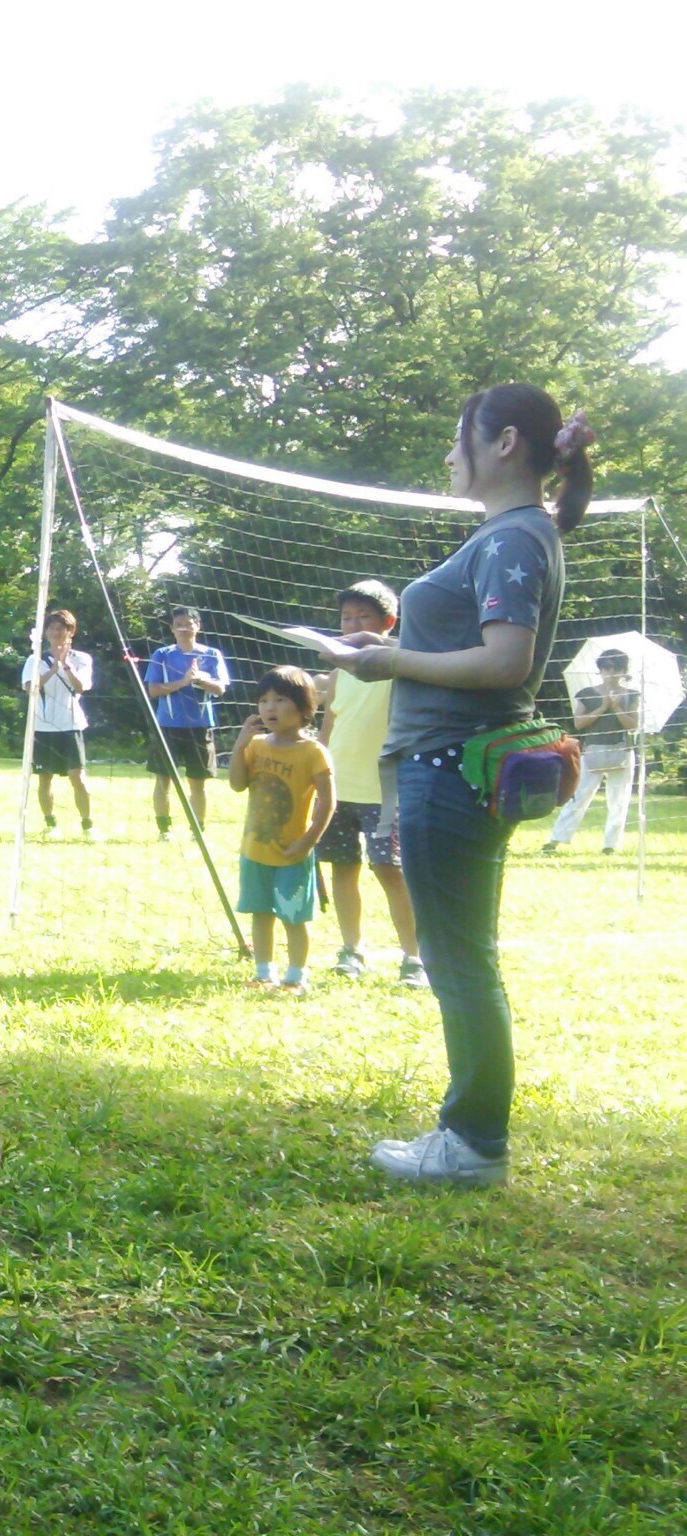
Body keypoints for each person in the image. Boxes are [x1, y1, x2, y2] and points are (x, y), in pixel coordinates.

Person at [336, 386, 587, 1187]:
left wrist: (390, 658)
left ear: (504, 443)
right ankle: (472, 1136)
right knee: (460, 955)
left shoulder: (516, 536)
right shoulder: (521, 531)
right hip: (452, 763)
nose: (448, 456)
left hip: (452, 767)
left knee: (459, 960)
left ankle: (472, 1144)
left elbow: (505, 660)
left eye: (459, 440)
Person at [315, 580, 423, 984]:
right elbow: (329, 726)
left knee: (389, 869)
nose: (352, 625)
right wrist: (317, 775)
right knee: (343, 868)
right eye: (346, 618)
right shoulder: (339, 673)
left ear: (389, 623)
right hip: (339, 789)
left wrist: (377, 645)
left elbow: (426, 654)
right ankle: (352, 950)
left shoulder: (403, 665)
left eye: (363, 617)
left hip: (385, 791)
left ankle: (414, 957)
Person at [229, 666, 335, 993]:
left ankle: (296, 975)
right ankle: (263, 972)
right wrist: (240, 745)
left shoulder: (313, 751)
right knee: (260, 912)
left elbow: (328, 802)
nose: (269, 708)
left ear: (304, 707)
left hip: (292, 854)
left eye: (280, 699)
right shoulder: (257, 745)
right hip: (255, 851)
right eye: (263, 700)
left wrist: (307, 841)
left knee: (293, 917)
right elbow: (237, 784)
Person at [141, 606, 228, 838]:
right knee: (163, 779)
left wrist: (200, 680)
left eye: (188, 623)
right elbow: (153, 690)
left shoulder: (211, 654)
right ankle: (164, 830)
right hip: (168, 726)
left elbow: (220, 689)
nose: (184, 628)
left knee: (197, 782)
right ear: (172, 628)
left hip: (200, 727)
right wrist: (183, 682)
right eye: (178, 624)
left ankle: (197, 830)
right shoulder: (162, 654)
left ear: (197, 626)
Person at [543, 648, 640, 854]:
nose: (611, 672)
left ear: (624, 670)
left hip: (621, 752)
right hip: (591, 752)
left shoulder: (632, 695)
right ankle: (556, 840)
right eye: (607, 667)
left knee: (619, 801)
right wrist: (603, 706)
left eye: (616, 667)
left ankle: (610, 845)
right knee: (578, 797)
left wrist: (616, 707)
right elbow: (579, 724)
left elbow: (632, 725)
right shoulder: (586, 694)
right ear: (600, 669)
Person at [21, 608, 95, 839]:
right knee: (45, 777)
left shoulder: (82, 659)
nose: (56, 633)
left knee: (78, 777)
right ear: (45, 632)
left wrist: (65, 666)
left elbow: (82, 687)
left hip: (71, 725)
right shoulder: (35, 659)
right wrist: (52, 669)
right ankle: (51, 824)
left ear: (71, 632)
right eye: (52, 628)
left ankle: (87, 825)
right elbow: (30, 687)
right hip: (43, 727)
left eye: (61, 629)